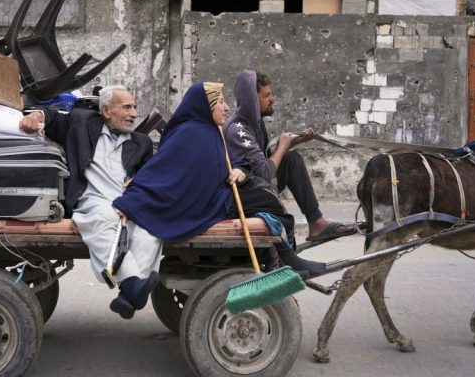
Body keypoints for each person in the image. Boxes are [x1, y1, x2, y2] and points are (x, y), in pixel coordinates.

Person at [113, 81, 326, 276]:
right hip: (203, 200)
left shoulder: (208, 129)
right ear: (206, 106)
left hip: (213, 192)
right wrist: (134, 194)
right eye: (221, 103)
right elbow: (163, 169)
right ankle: (284, 261)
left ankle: (283, 259)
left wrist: (239, 170)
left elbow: (227, 161)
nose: (226, 108)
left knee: (265, 196)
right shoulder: (192, 133)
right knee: (267, 200)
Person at [19, 86, 161, 320]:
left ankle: (128, 294)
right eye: (126, 107)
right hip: (91, 198)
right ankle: (132, 284)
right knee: (102, 216)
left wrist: (136, 189)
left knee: (151, 231)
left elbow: (149, 175)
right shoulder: (82, 122)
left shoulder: (142, 143)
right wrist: (37, 115)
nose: (134, 113)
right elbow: (53, 118)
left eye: (135, 107)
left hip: (126, 203)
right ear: (106, 111)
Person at [225, 70, 357, 243]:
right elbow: (264, 172)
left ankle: (316, 222)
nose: (273, 99)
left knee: (291, 160)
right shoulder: (238, 129)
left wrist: (298, 140)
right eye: (267, 95)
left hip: (255, 182)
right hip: (244, 193)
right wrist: (283, 146)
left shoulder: (255, 122)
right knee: (287, 158)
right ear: (252, 99)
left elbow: (265, 157)